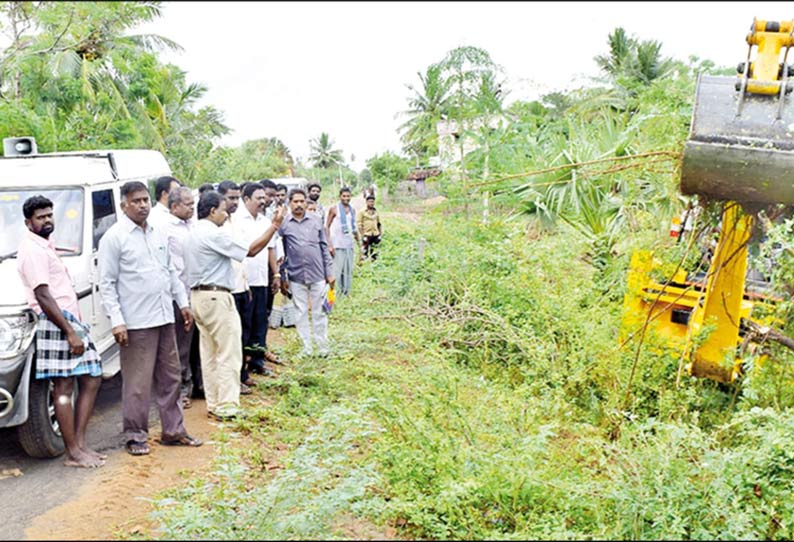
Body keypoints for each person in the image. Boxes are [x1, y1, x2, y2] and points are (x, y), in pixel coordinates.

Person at [98, 181, 202, 456]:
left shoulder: (157, 232)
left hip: (164, 315)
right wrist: (117, 320)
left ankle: (173, 430)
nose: (143, 205)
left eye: (145, 200)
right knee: (137, 383)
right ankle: (135, 434)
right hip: (136, 322)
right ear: (124, 205)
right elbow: (106, 283)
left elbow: (170, 271)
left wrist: (183, 304)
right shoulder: (114, 237)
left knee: (171, 378)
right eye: (136, 201)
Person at [17, 195, 106, 468]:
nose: (47, 220)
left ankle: (78, 445)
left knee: (92, 377)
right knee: (64, 387)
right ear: (28, 222)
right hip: (57, 322)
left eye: (49, 215)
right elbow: (42, 294)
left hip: (68, 320)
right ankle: (74, 452)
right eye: (40, 217)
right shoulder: (31, 250)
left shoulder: (45, 245)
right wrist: (69, 331)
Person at [185, 191, 285, 420]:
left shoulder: (193, 232)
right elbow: (250, 251)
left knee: (209, 352)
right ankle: (228, 405)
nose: (226, 215)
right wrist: (275, 226)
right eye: (222, 210)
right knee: (228, 352)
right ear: (212, 211)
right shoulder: (214, 234)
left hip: (199, 297)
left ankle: (215, 402)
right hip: (216, 297)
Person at [280, 188, 335, 357]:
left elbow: (324, 248)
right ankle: (307, 348)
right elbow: (280, 253)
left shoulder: (316, 220)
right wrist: (283, 277)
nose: (298, 205)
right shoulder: (283, 224)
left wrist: (329, 272)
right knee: (301, 312)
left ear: (306, 202)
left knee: (320, 312)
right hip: (296, 276)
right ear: (289, 203)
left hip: (318, 274)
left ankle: (323, 348)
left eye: (301, 201)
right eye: (295, 202)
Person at [236, 182, 280, 377]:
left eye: (264, 198)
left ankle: (257, 361)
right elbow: (249, 250)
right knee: (244, 326)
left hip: (261, 279)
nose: (263, 201)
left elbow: (270, 249)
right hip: (244, 282)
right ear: (246, 199)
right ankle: (242, 369)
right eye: (258, 198)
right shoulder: (236, 221)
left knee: (260, 323)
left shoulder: (264, 221)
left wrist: (276, 274)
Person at [216, 180, 254, 393]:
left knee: (242, 336)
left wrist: (246, 284)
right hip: (225, 290)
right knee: (229, 340)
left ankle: (241, 375)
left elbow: (242, 259)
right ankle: (230, 383)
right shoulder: (216, 225)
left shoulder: (237, 221)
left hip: (241, 286)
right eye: (231, 198)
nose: (235, 202)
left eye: (237, 198)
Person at [165, 186, 196, 408]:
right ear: (174, 206)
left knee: (193, 343)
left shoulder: (194, 226)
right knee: (180, 345)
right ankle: (180, 390)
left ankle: (194, 385)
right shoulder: (165, 229)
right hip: (178, 296)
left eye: (193, 203)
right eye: (187, 204)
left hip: (196, 291)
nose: (192, 207)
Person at [325, 186, 361, 296]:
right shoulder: (334, 209)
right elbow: (326, 227)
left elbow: (354, 228)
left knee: (348, 271)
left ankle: (345, 293)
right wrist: (329, 245)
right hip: (337, 245)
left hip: (348, 245)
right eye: (344, 196)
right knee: (336, 271)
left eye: (348, 196)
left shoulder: (352, 210)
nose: (346, 198)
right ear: (340, 196)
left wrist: (359, 244)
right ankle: (333, 295)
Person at [357, 194, 382, 261]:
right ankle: (363, 266)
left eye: (372, 201)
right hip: (367, 234)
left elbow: (379, 224)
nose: (371, 203)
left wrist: (380, 234)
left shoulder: (376, 211)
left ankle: (373, 265)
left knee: (375, 252)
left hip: (375, 234)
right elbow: (359, 224)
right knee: (364, 251)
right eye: (370, 201)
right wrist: (363, 235)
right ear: (366, 202)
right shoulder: (362, 212)